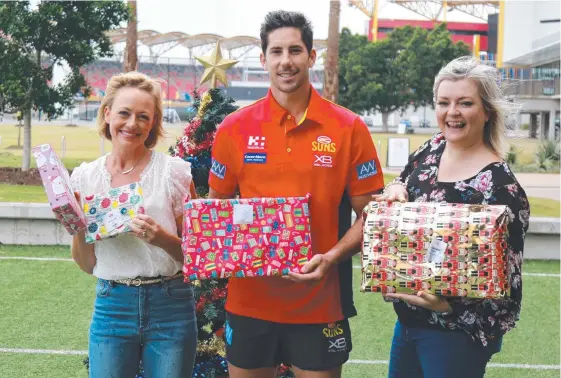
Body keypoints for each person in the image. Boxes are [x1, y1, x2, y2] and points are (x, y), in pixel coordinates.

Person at [208, 10, 385, 378]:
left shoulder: (348, 127)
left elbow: (372, 215)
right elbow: (216, 209)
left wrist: (331, 256)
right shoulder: (233, 129)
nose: (286, 61)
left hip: (319, 303)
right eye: (276, 52)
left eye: (295, 50)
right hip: (249, 302)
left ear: (311, 56)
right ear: (263, 59)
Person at [379, 56, 530, 378]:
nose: (452, 113)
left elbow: (508, 285)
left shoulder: (501, 189)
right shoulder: (430, 150)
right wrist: (394, 189)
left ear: (486, 111)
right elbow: (402, 181)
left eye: (465, 103)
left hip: (455, 336)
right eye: (443, 102)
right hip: (407, 323)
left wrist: (447, 307)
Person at [70, 71, 197, 378]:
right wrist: (77, 228)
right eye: (124, 113)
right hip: (112, 304)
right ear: (107, 113)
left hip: (171, 305)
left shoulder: (175, 173)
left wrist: (161, 238)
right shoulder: (84, 178)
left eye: (143, 116)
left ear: (153, 123)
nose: (132, 124)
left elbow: (198, 258)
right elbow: (87, 265)